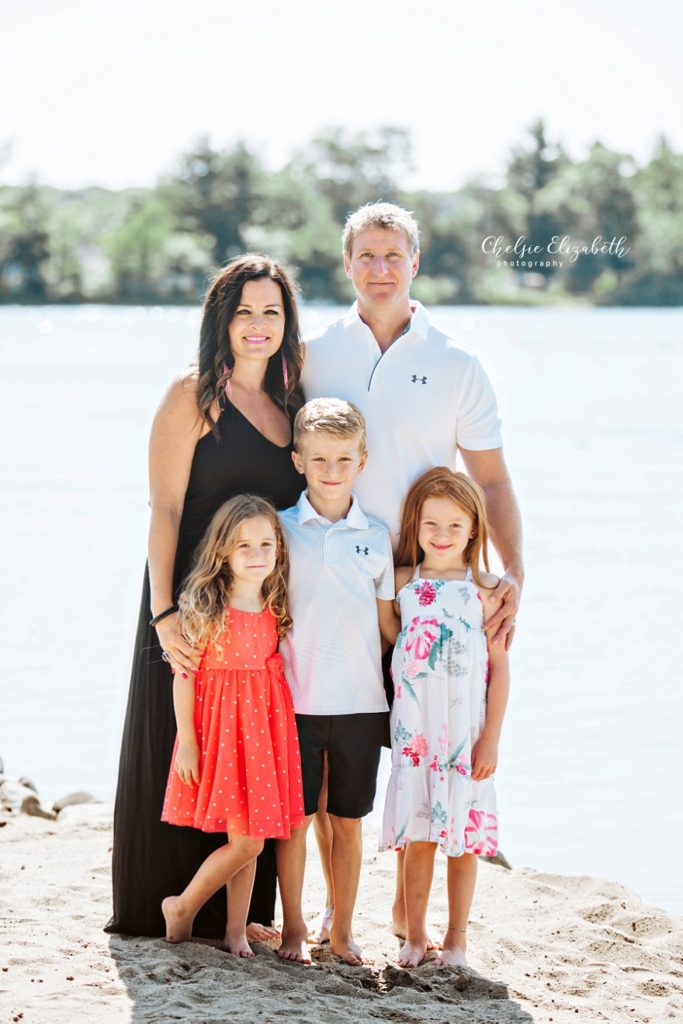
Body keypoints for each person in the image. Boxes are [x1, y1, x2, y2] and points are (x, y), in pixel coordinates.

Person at [300, 201, 523, 941]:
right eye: (365, 254)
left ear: (415, 263)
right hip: (337, 589)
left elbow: (490, 482)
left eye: (393, 254)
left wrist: (510, 575)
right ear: (347, 264)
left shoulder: (456, 363)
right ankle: (337, 911)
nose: (380, 268)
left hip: (430, 592)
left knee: (428, 749)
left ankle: (409, 920)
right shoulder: (314, 352)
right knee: (341, 753)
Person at [106, 255, 305, 942]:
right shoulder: (191, 395)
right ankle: (157, 903)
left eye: (271, 311)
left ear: (287, 322)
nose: (257, 325)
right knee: (180, 749)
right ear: (220, 319)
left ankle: (238, 918)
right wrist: (163, 615)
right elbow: (162, 510)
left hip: (255, 617)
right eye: (244, 310)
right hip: (187, 607)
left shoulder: (291, 408)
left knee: (247, 752)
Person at [275, 398, 396, 966]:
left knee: (346, 823)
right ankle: (295, 928)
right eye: (319, 458)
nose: (331, 470)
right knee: (295, 822)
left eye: (343, 459)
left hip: (360, 704)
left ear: (362, 461)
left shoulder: (375, 537)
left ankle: (342, 930)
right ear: (298, 459)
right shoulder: (278, 529)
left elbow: (388, 626)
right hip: (293, 702)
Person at [161, 495, 305, 955]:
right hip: (222, 734)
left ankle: (234, 930)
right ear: (222, 551)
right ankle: (182, 907)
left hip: (262, 733)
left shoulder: (275, 599)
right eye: (245, 546)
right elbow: (184, 676)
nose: (258, 555)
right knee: (247, 842)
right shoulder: (208, 604)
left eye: (267, 544)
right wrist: (187, 740)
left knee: (251, 837)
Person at [381, 467, 510, 968]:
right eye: (431, 524)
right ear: (415, 525)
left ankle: (457, 941)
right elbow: (391, 640)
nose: (441, 536)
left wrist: (491, 740)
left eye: (454, 526)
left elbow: (499, 672)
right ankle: (415, 936)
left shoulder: (488, 591)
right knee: (418, 838)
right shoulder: (401, 585)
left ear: (474, 528)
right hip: (415, 735)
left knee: (461, 840)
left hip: (466, 736)